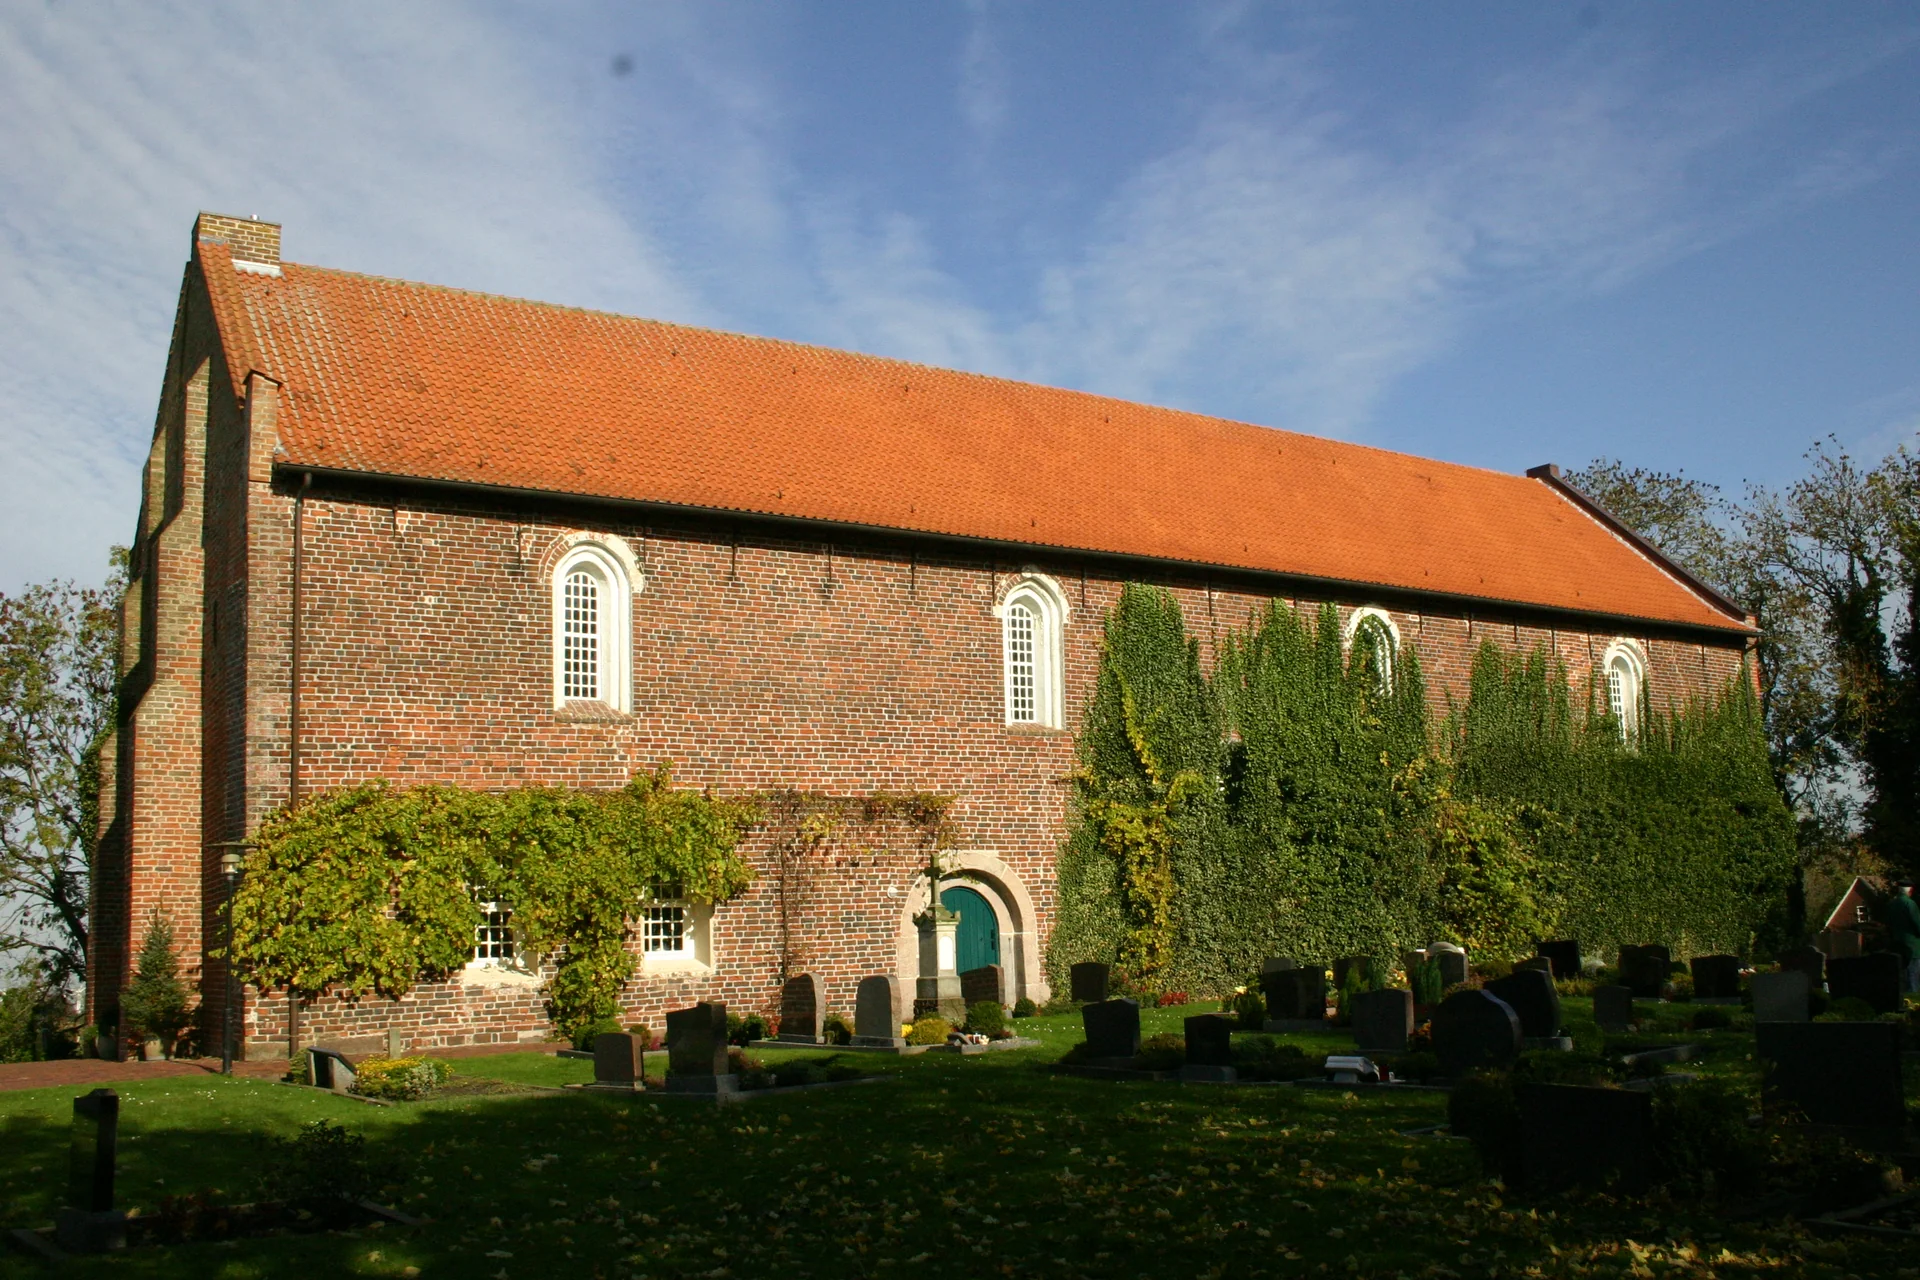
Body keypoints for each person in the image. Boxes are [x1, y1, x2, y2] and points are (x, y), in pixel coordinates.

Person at [1883, 882, 1920, 993]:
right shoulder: (1910, 904)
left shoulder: (1891, 904)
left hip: (1897, 944)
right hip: (1912, 946)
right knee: (1913, 976)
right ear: (1910, 891)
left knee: (1901, 975)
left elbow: (1887, 925)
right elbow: (1917, 924)